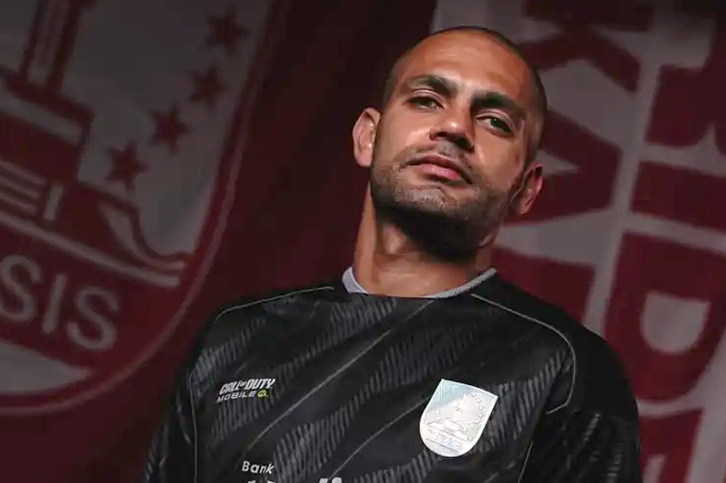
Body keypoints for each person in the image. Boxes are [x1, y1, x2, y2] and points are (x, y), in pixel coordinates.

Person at [140, 26, 642, 483]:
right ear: (368, 137)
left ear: (526, 189)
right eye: (426, 100)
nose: (454, 127)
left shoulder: (561, 369)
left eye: (494, 121)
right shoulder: (237, 337)